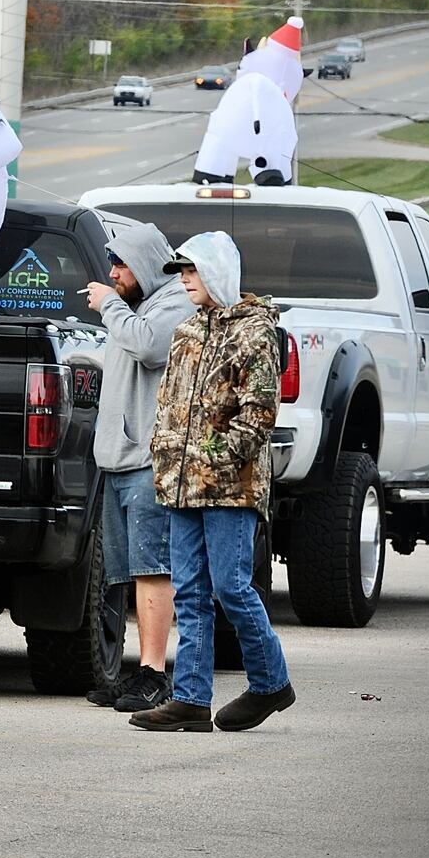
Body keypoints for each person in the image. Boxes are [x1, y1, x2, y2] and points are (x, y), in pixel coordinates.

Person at [130, 230, 294, 733]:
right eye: (181, 272)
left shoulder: (257, 331)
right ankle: (191, 699)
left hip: (230, 489)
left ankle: (271, 683)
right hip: (179, 487)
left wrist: (210, 456)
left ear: (217, 271)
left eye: (192, 270)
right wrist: (165, 457)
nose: (184, 280)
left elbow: (259, 416)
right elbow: (170, 409)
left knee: (231, 587)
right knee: (190, 594)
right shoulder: (186, 332)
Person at [83, 223, 194, 713]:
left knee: (153, 569)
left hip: (148, 462)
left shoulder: (173, 304)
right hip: (117, 460)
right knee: (124, 572)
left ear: (145, 262)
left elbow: (149, 347)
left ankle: (154, 674)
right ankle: (133, 671)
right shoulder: (138, 309)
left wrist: (109, 304)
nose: (113, 275)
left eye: (120, 265)